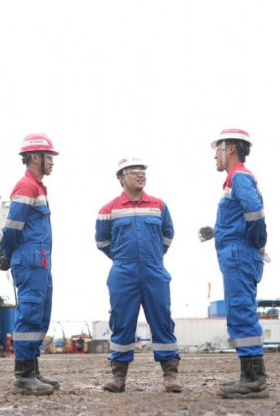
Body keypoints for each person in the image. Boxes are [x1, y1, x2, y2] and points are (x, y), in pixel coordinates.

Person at [95, 157, 182, 393]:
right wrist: (123, 259)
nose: (141, 174)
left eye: (143, 170)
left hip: (154, 270)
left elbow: (168, 235)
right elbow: (102, 242)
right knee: (122, 322)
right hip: (123, 272)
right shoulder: (108, 210)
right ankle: (118, 377)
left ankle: (170, 375)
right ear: (121, 178)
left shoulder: (159, 206)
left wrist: (153, 255)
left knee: (162, 320)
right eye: (134, 171)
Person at [198, 128, 269, 399]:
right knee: (240, 313)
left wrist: (255, 242)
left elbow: (254, 213)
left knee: (241, 312)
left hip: (239, 254)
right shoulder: (234, 179)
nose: (214, 156)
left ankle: (254, 380)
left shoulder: (239, 176)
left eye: (217, 150)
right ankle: (249, 375)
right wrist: (217, 231)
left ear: (229, 148)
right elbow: (241, 217)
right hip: (237, 253)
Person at [0, 133, 59, 396]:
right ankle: (22, 377)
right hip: (30, 259)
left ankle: (32, 371)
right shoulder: (26, 186)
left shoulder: (38, 187)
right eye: (49, 157)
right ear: (35, 157)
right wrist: (6, 253)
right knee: (30, 314)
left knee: (41, 316)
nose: (52, 162)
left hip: (41, 260)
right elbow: (12, 227)